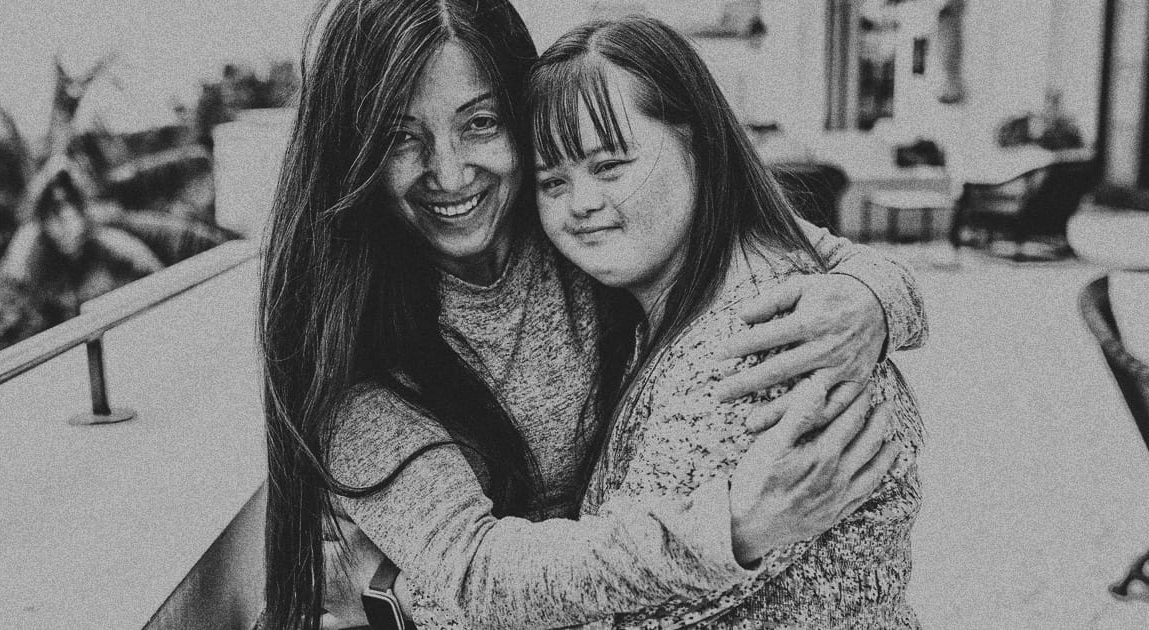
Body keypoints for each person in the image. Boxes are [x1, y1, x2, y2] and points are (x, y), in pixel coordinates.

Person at [258, 1, 927, 629]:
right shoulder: (357, 347)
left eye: (481, 122)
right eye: (400, 137)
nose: (451, 172)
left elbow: (788, 240)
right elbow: (478, 571)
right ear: (352, 154)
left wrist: (874, 296)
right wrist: (727, 530)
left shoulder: (572, 227)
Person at [530, 16, 924, 628]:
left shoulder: (759, 348)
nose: (580, 203)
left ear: (699, 145)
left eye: (610, 166)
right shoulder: (692, 293)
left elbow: (611, 611)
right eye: (552, 181)